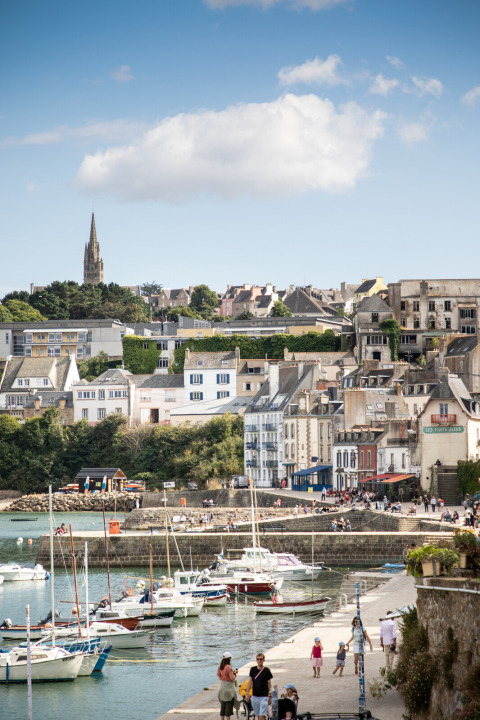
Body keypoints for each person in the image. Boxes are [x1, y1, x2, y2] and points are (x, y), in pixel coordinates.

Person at [245, 653, 273, 720]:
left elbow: (269, 684)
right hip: (255, 697)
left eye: (261, 659)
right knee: (259, 717)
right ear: (256, 660)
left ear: (264, 660)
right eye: (258, 659)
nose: (259, 660)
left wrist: (270, 695)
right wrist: (247, 693)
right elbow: (250, 682)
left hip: (264, 697)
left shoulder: (266, 670)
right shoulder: (253, 669)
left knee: (261, 716)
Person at [217, 651, 239, 720]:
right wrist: (235, 673)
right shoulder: (228, 667)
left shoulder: (220, 667)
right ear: (229, 658)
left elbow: (220, 677)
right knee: (228, 709)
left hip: (222, 688)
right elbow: (232, 678)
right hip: (229, 690)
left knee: (223, 707)